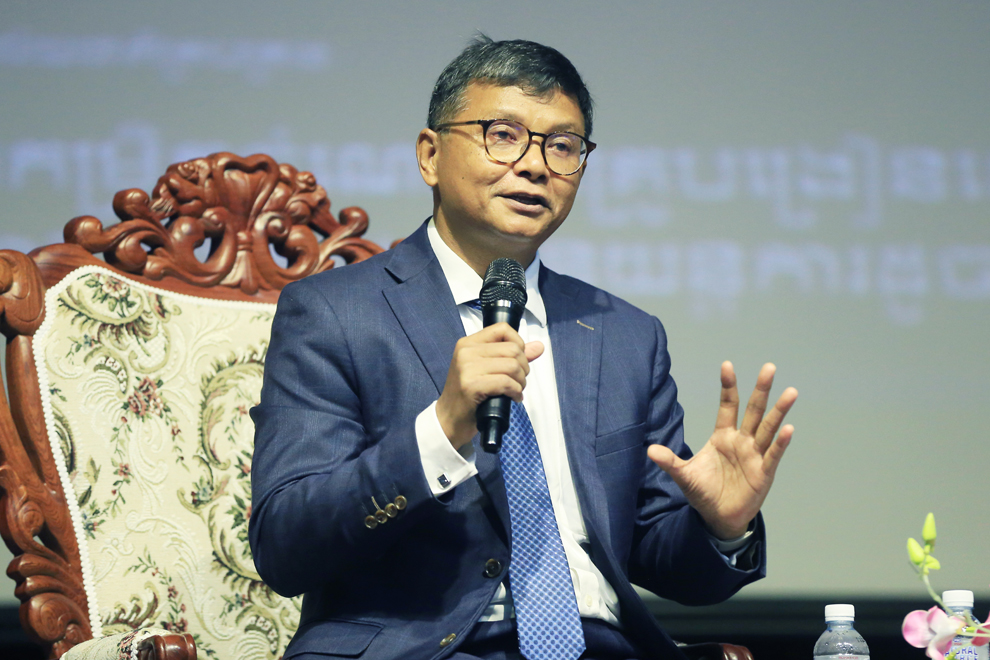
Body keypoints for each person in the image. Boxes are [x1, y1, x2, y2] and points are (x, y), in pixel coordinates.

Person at [249, 35, 798, 660]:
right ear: (430, 155)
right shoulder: (334, 313)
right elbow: (285, 547)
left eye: (562, 146)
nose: (536, 166)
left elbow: (670, 564)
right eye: (503, 135)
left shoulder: (624, 334)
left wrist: (722, 527)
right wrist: (439, 431)